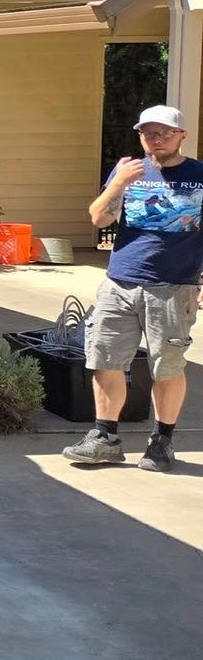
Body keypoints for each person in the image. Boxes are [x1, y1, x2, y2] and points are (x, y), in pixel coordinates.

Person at [68, 104, 203, 471]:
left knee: (168, 367)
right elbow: (99, 217)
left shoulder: (199, 175)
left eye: (163, 133)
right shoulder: (128, 171)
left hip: (174, 287)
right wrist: (119, 182)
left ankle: (162, 443)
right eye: (148, 133)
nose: (155, 140)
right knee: (104, 360)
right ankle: (105, 437)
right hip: (120, 281)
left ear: (181, 136)